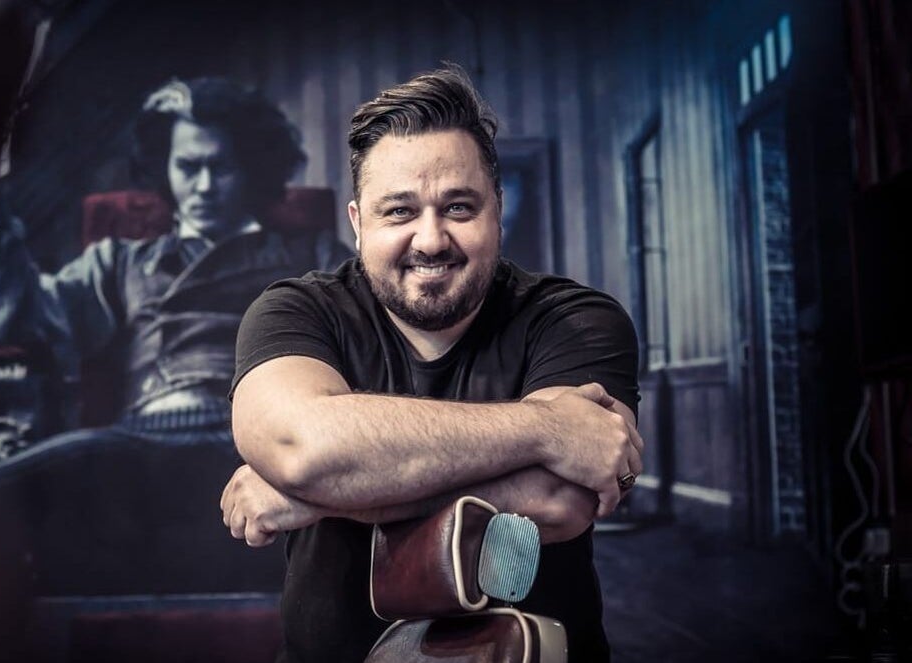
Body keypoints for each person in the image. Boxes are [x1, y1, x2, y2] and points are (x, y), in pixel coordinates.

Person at [220, 64, 644, 662]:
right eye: (399, 211)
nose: (430, 239)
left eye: (459, 207)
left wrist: (316, 496)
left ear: (496, 210)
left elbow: (560, 497)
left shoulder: (574, 318)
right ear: (358, 222)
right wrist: (548, 429)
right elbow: (300, 449)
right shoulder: (295, 311)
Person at [0, 76, 353, 453]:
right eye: (188, 167)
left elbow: (371, 333)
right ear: (165, 167)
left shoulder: (311, 256)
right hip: (144, 444)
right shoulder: (120, 262)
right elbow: (13, 318)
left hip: (267, 444)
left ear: (251, 171)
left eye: (221, 167)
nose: (204, 187)